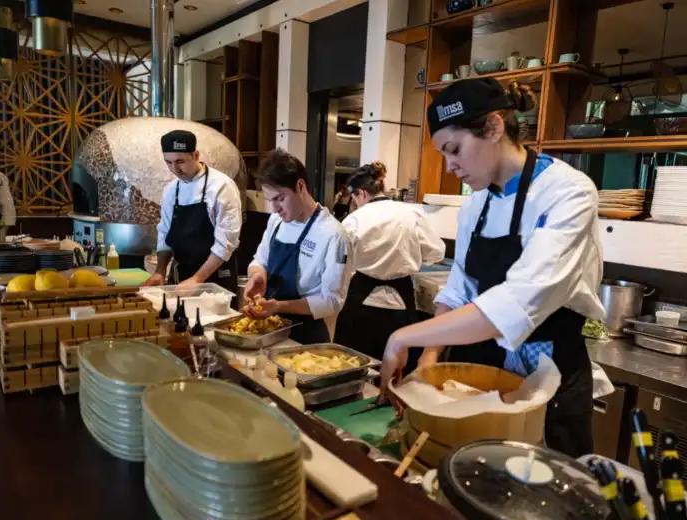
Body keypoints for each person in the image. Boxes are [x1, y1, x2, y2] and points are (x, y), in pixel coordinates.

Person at [380, 79, 606, 458]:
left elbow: (517, 302)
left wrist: (402, 338)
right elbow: (460, 288)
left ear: (494, 127)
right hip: (486, 367)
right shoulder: (476, 204)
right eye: (443, 154)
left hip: (551, 370)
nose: (450, 166)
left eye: (454, 149)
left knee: (545, 476)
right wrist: (429, 357)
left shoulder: (568, 192)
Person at [334, 162, 445, 361]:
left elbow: (340, 263)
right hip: (400, 306)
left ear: (361, 193)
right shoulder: (411, 213)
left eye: (355, 198)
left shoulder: (354, 220)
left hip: (361, 307)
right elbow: (436, 253)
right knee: (397, 366)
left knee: (355, 364)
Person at [243, 149, 353, 344]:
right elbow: (259, 260)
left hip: (305, 336)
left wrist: (279, 306)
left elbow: (332, 301)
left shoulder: (332, 234)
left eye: (280, 198)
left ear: (300, 186)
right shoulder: (276, 221)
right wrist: (258, 276)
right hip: (270, 328)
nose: (274, 208)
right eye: (270, 200)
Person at [144, 130, 242, 292]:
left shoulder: (222, 186)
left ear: (196, 156)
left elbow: (226, 243)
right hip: (181, 276)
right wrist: (160, 271)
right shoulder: (170, 190)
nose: (175, 169)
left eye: (180, 161)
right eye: (168, 162)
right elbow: (164, 233)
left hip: (216, 278)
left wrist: (197, 279)